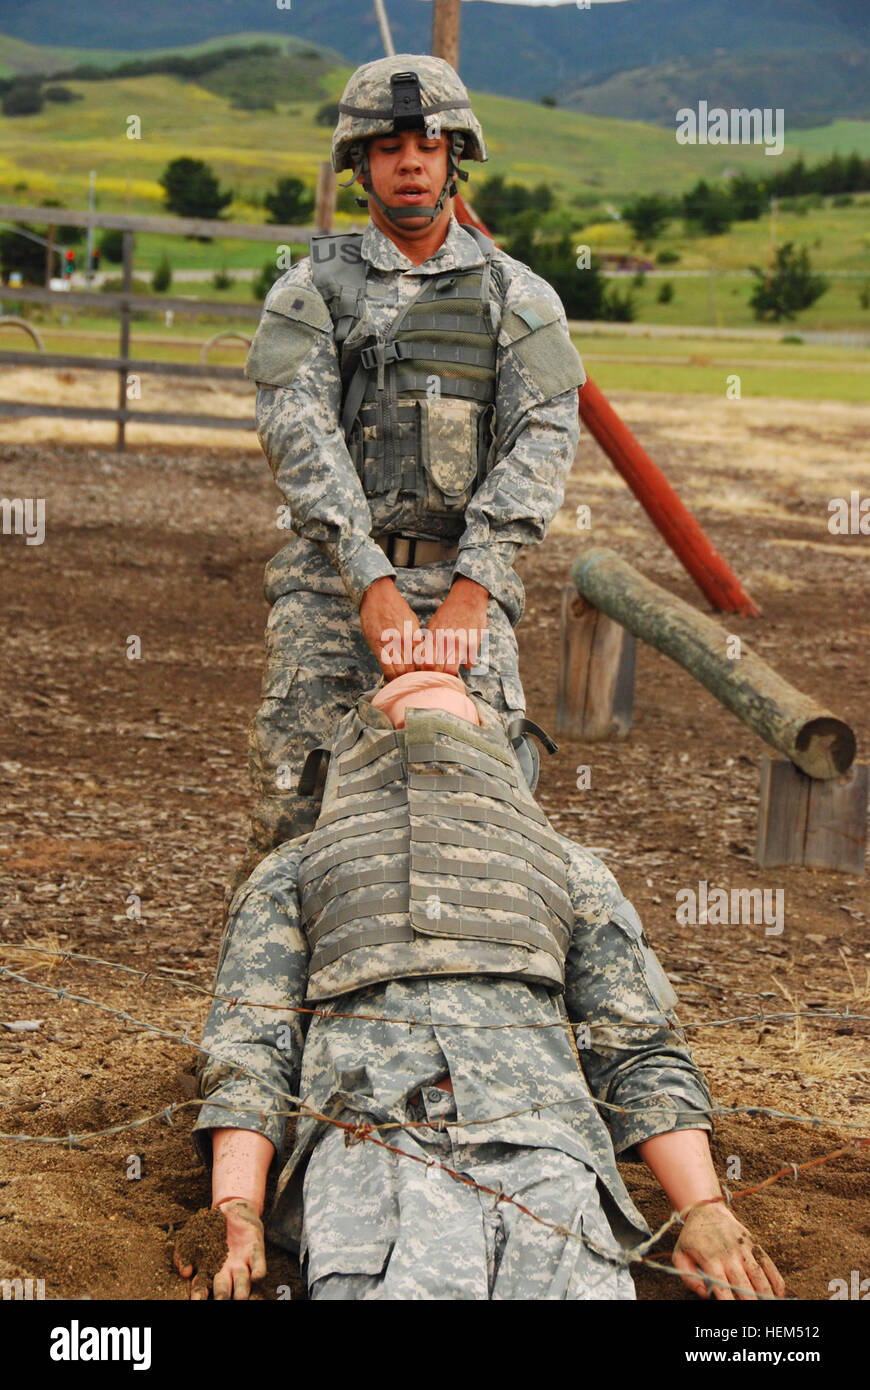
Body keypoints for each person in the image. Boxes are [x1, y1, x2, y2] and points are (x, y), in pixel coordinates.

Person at [178, 675, 785, 1301]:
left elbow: (635, 1047)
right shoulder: (293, 870)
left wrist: (702, 1208)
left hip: (546, 1147)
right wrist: (237, 1206)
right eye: (402, 697)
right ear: (362, 745)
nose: (424, 681)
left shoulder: (567, 868)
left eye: (452, 699)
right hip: (374, 1144)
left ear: (495, 746)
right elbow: (253, 1048)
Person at [234, 52, 587, 897]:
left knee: (493, 801)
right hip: (333, 586)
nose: (411, 162)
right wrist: (367, 581)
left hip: (466, 586)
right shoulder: (309, 291)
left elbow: (543, 437)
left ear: (455, 155)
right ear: (359, 165)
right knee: (295, 806)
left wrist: (476, 587)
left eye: (428, 143)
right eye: (388, 147)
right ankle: (272, 1014)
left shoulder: (516, 295)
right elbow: (299, 439)